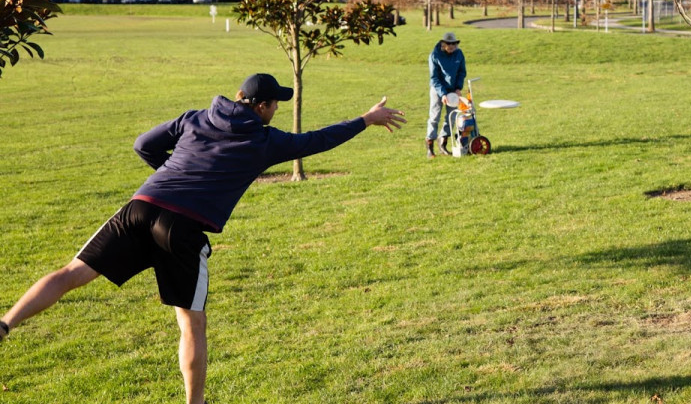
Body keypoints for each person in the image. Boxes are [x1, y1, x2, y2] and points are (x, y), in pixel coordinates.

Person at [0, 73, 406, 404]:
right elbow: (316, 141)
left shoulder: (194, 117)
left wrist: (170, 170)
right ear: (261, 107)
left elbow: (143, 144)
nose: (277, 108)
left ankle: (4, 324)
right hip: (181, 229)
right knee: (191, 323)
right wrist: (365, 120)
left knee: (73, 272)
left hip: (141, 205)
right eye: (275, 103)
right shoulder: (265, 140)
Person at [426, 31, 467, 158]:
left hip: (453, 90)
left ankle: (443, 143)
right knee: (435, 116)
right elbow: (434, 78)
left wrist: (458, 88)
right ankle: (430, 147)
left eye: (454, 45)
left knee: (452, 116)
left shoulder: (459, 54)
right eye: (449, 45)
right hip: (438, 90)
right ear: (443, 44)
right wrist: (442, 94)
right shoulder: (435, 55)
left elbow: (461, 72)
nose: (451, 48)